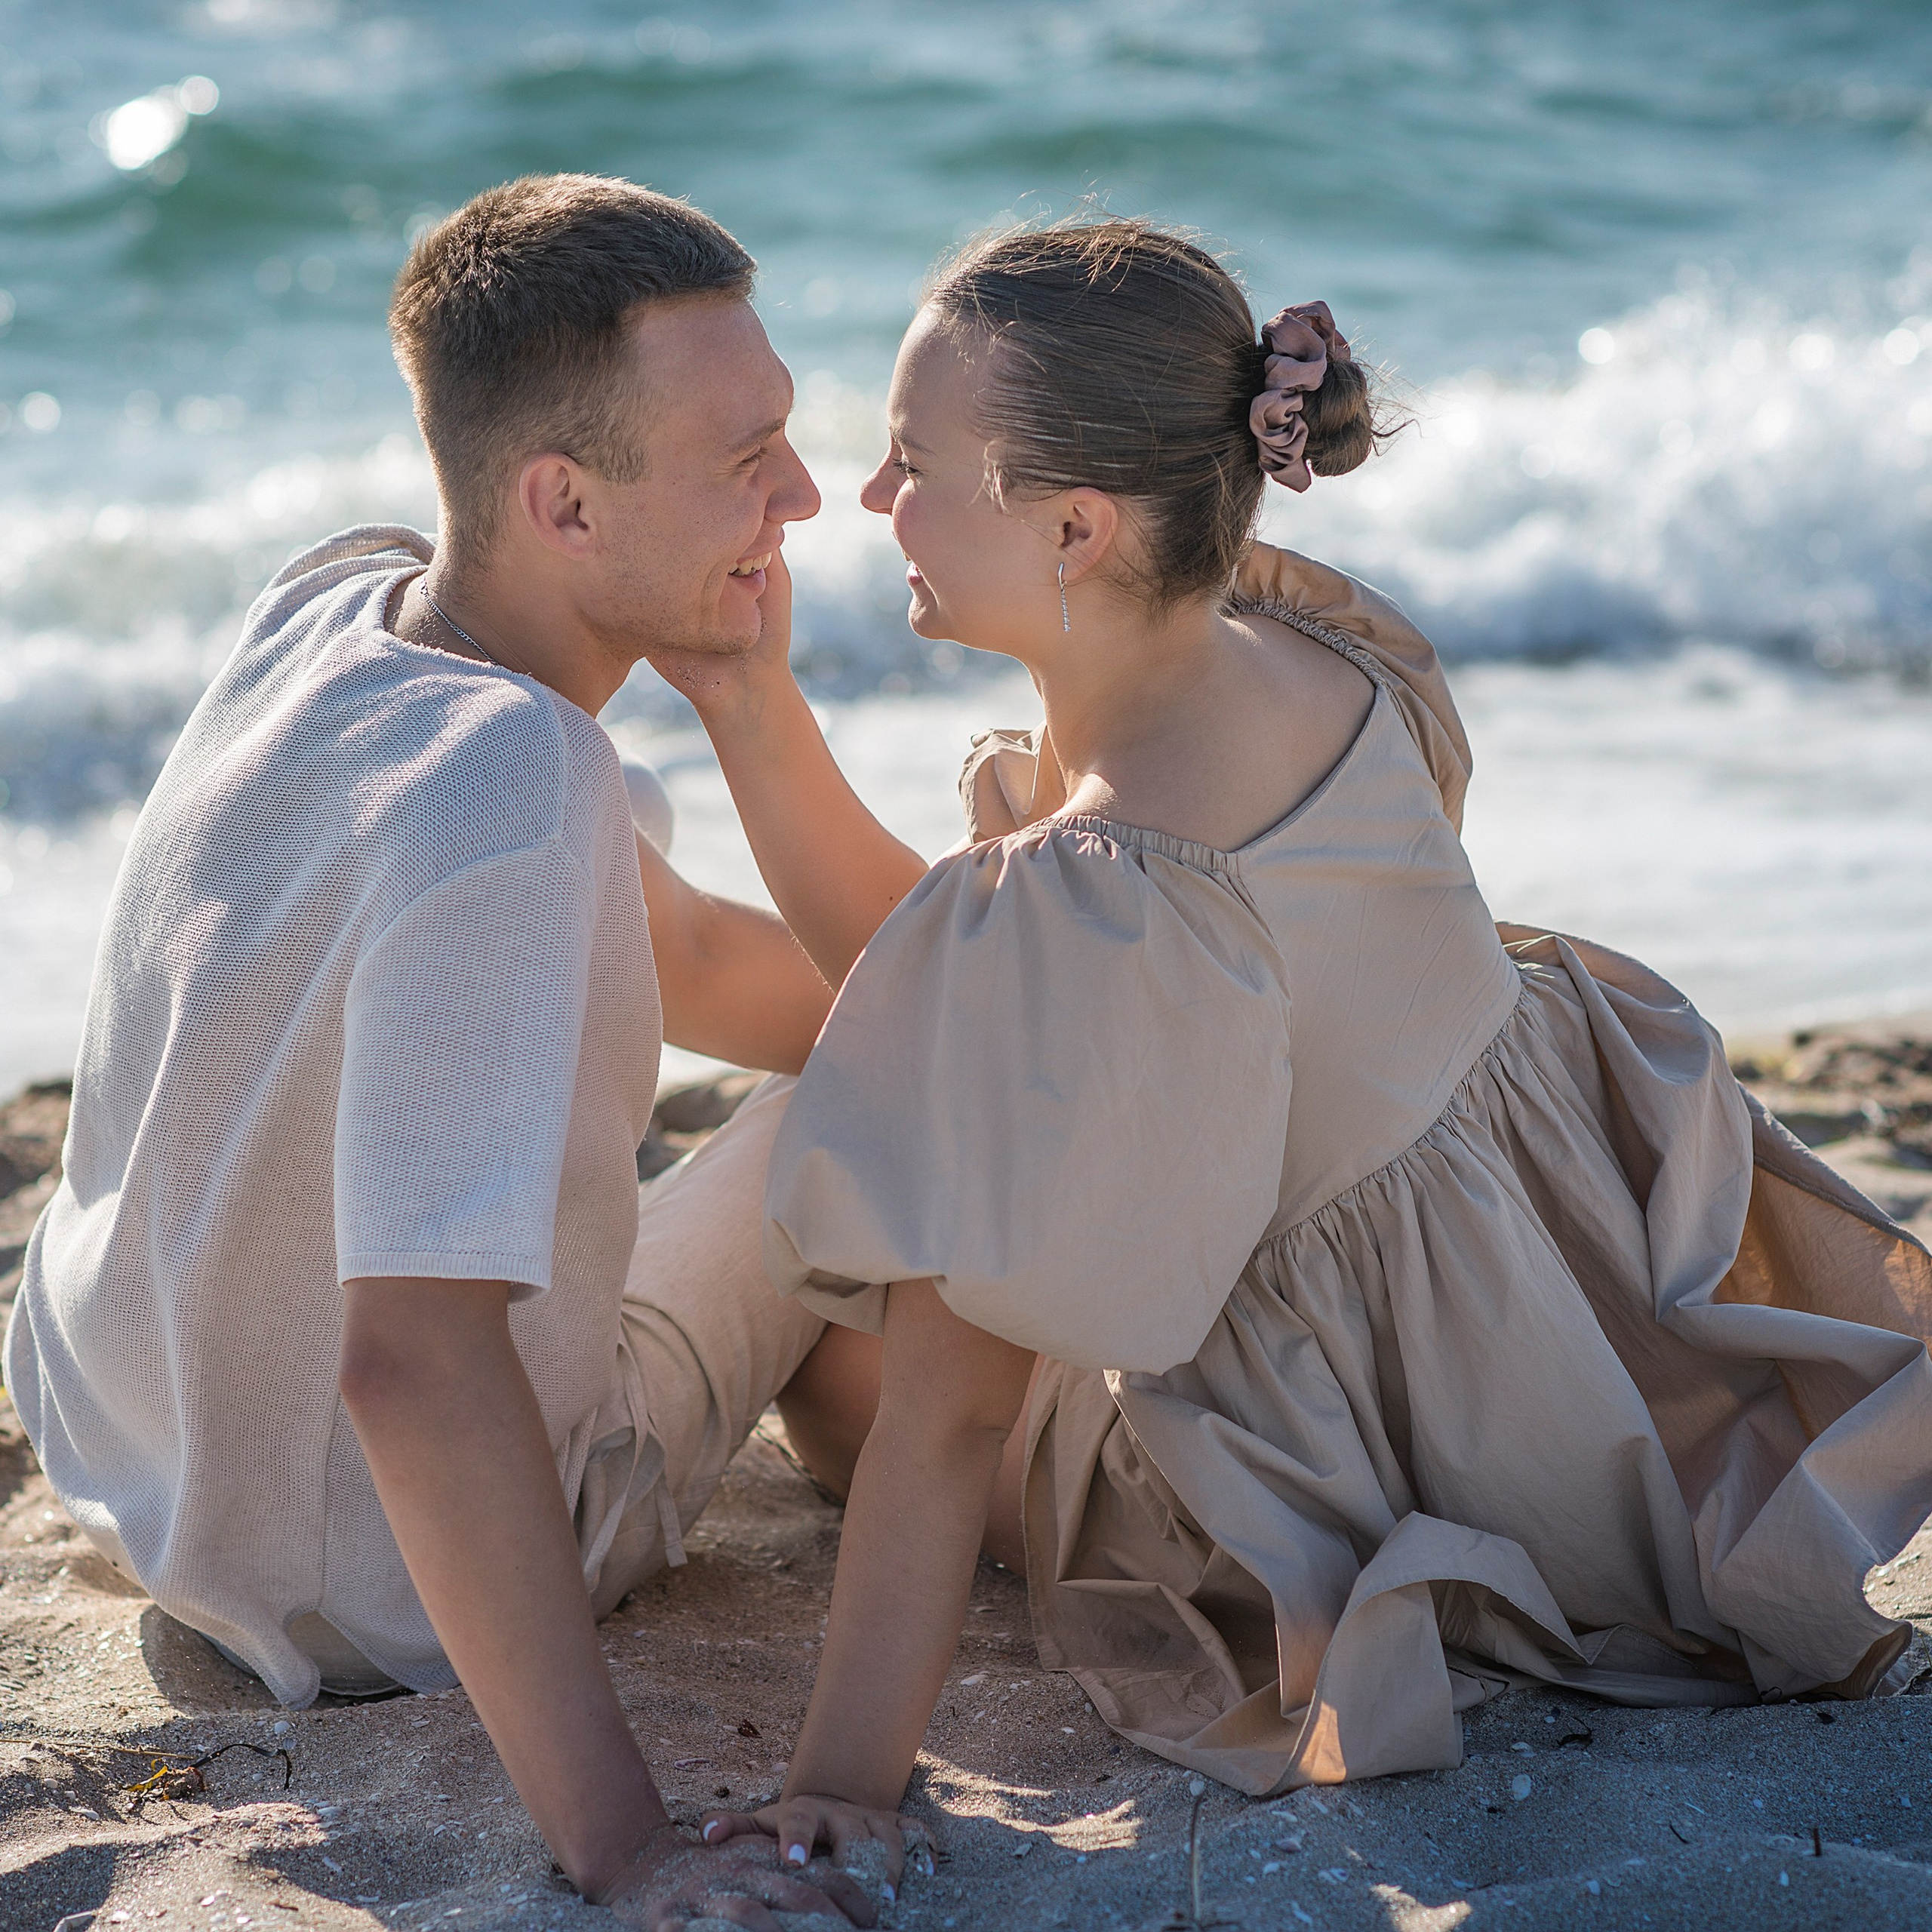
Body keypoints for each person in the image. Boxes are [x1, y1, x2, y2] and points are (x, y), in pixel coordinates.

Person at [640, 218, 1932, 1872]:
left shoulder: (1105, 886)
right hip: (1568, 1311)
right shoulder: (1301, 638)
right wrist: (755, 700)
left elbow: (948, 1408)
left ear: (1078, 527)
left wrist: (838, 1779)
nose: (871, 499)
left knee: (840, 1378)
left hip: (1366, 1416)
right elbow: (960, 984)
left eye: (909, 463)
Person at [4, 174, 884, 1931]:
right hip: (370, 1591)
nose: (803, 494)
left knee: (790, 1005)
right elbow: (412, 1359)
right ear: (561, 499)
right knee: (875, 1118)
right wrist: (623, 1844)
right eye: (746, 456)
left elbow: (701, 955)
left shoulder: (335, 606)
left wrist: (741, 694)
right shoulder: (513, 791)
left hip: (139, 1453)